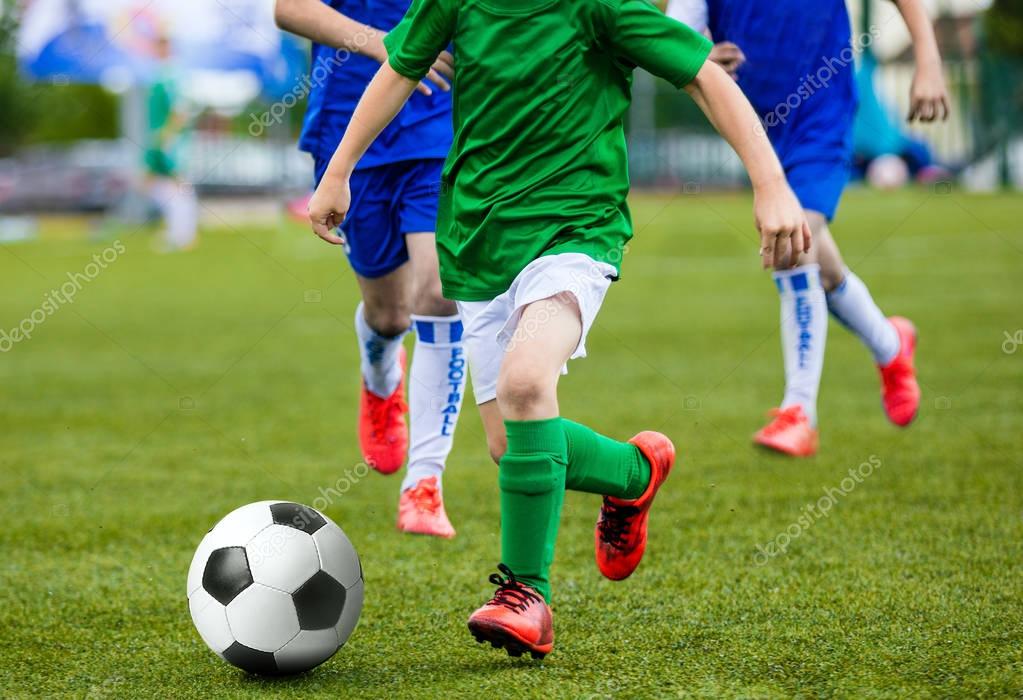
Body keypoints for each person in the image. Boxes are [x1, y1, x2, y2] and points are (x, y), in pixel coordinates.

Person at [308, 0, 811, 657]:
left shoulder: (599, 6)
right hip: (477, 240)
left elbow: (705, 78)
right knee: (509, 447)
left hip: (575, 231)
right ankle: (634, 473)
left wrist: (770, 183)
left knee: (523, 385)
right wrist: (339, 169)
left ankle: (525, 597)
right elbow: (398, 71)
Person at [667, 0, 949, 456]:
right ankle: (891, 344)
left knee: (793, 242)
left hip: (824, 114)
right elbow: (674, 39)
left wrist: (928, 59)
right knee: (821, 261)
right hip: (758, 129)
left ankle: (799, 411)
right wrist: (701, 55)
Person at [274, 0, 466, 538]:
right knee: (390, 315)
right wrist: (384, 43)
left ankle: (425, 482)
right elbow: (288, 9)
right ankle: (382, 378)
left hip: (439, 120)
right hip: (351, 126)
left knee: (440, 291)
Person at [144, 35, 198, 252]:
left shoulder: (172, 76)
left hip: (171, 139)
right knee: (161, 184)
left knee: (178, 184)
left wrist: (168, 135)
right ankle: (179, 232)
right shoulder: (161, 74)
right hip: (162, 138)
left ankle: (184, 235)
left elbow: (180, 110)